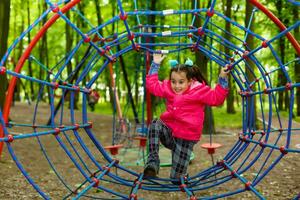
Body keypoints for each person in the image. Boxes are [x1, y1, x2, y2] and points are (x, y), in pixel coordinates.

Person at [143, 53, 229, 184]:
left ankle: (181, 174)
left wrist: (222, 78)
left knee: (176, 180)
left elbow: (217, 98)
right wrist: (155, 64)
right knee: (155, 123)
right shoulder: (168, 88)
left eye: (181, 82)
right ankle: (152, 162)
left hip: (186, 138)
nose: (177, 86)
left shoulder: (199, 91)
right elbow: (152, 85)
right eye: (173, 82)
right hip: (169, 133)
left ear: (190, 81)